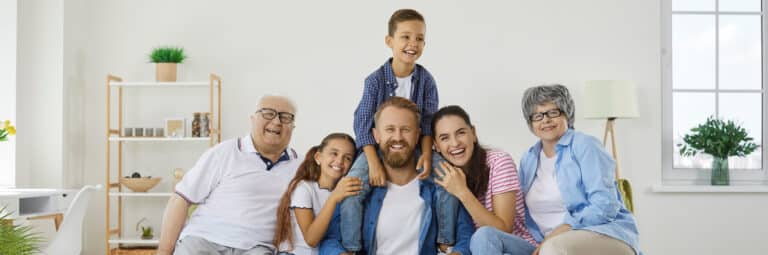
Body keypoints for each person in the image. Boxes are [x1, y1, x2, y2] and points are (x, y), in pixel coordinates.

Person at [344, 8, 458, 252]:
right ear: (390, 41)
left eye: (419, 39)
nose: (412, 44)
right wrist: (373, 162)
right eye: (405, 37)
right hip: (376, 148)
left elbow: (428, 122)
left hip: (414, 146)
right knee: (352, 189)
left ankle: (445, 243)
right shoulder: (374, 80)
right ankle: (351, 248)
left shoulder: (426, 80)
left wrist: (426, 154)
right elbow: (362, 123)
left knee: (447, 180)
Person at [479, 84, 641, 255]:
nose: (545, 120)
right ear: (530, 122)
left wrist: (561, 230)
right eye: (537, 115)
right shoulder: (529, 158)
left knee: (553, 248)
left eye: (553, 112)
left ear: (567, 114)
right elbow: (519, 209)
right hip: (545, 243)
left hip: (603, 233)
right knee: (486, 236)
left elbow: (605, 205)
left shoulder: (585, 146)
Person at [321, 97, 474, 255]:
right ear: (376, 135)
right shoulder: (358, 185)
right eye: (389, 129)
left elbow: (466, 236)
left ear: (417, 136)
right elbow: (330, 240)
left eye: (406, 129)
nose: (398, 137)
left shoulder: (440, 183)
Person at [157, 95, 301, 255]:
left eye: (285, 117)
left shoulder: (301, 167)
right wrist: (164, 252)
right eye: (268, 113)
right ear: (253, 119)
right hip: (204, 240)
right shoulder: (224, 152)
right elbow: (181, 199)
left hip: (257, 247)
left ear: (293, 127)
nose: (276, 121)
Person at [429, 105, 538, 255]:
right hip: (475, 251)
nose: (454, 143)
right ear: (436, 146)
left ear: (473, 133)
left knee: (484, 235)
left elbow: (503, 229)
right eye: (444, 138)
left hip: (514, 247)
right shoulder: (442, 177)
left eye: (460, 133)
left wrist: (462, 192)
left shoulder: (499, 162)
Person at [273, 133, 362, 255]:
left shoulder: (343, 191)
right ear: (318, 157)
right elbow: (311, 240)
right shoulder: (304, 189)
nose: (339, 161)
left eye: (347, 158)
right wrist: (334, 197)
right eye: (334, 153)